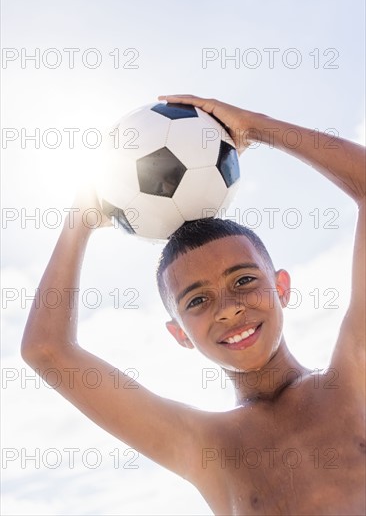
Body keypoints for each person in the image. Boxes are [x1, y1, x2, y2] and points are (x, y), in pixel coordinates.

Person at [21, 94, 365, 515]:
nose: (228, 309)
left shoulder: (353, 383)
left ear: (282, 288)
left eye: (243, 280)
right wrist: (80, 221)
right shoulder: (206, 446)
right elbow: (46, 351)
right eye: (198, 300)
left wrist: (255, 127)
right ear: (179, 333)